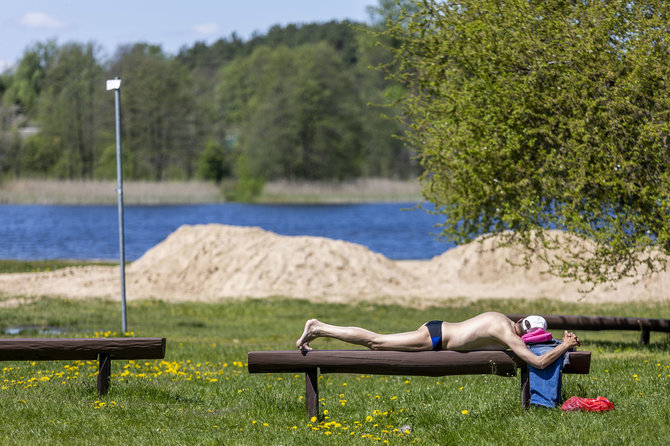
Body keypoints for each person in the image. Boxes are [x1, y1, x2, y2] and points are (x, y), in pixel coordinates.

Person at [296, 312, 580, 370]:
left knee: (376, 341)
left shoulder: (503, 320)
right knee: (376, 342)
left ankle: (320, 328)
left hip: (437, 330)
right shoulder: (507, 333)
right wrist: (564, 346)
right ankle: (320, 327)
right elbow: (539, 362)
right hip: (435, 338)